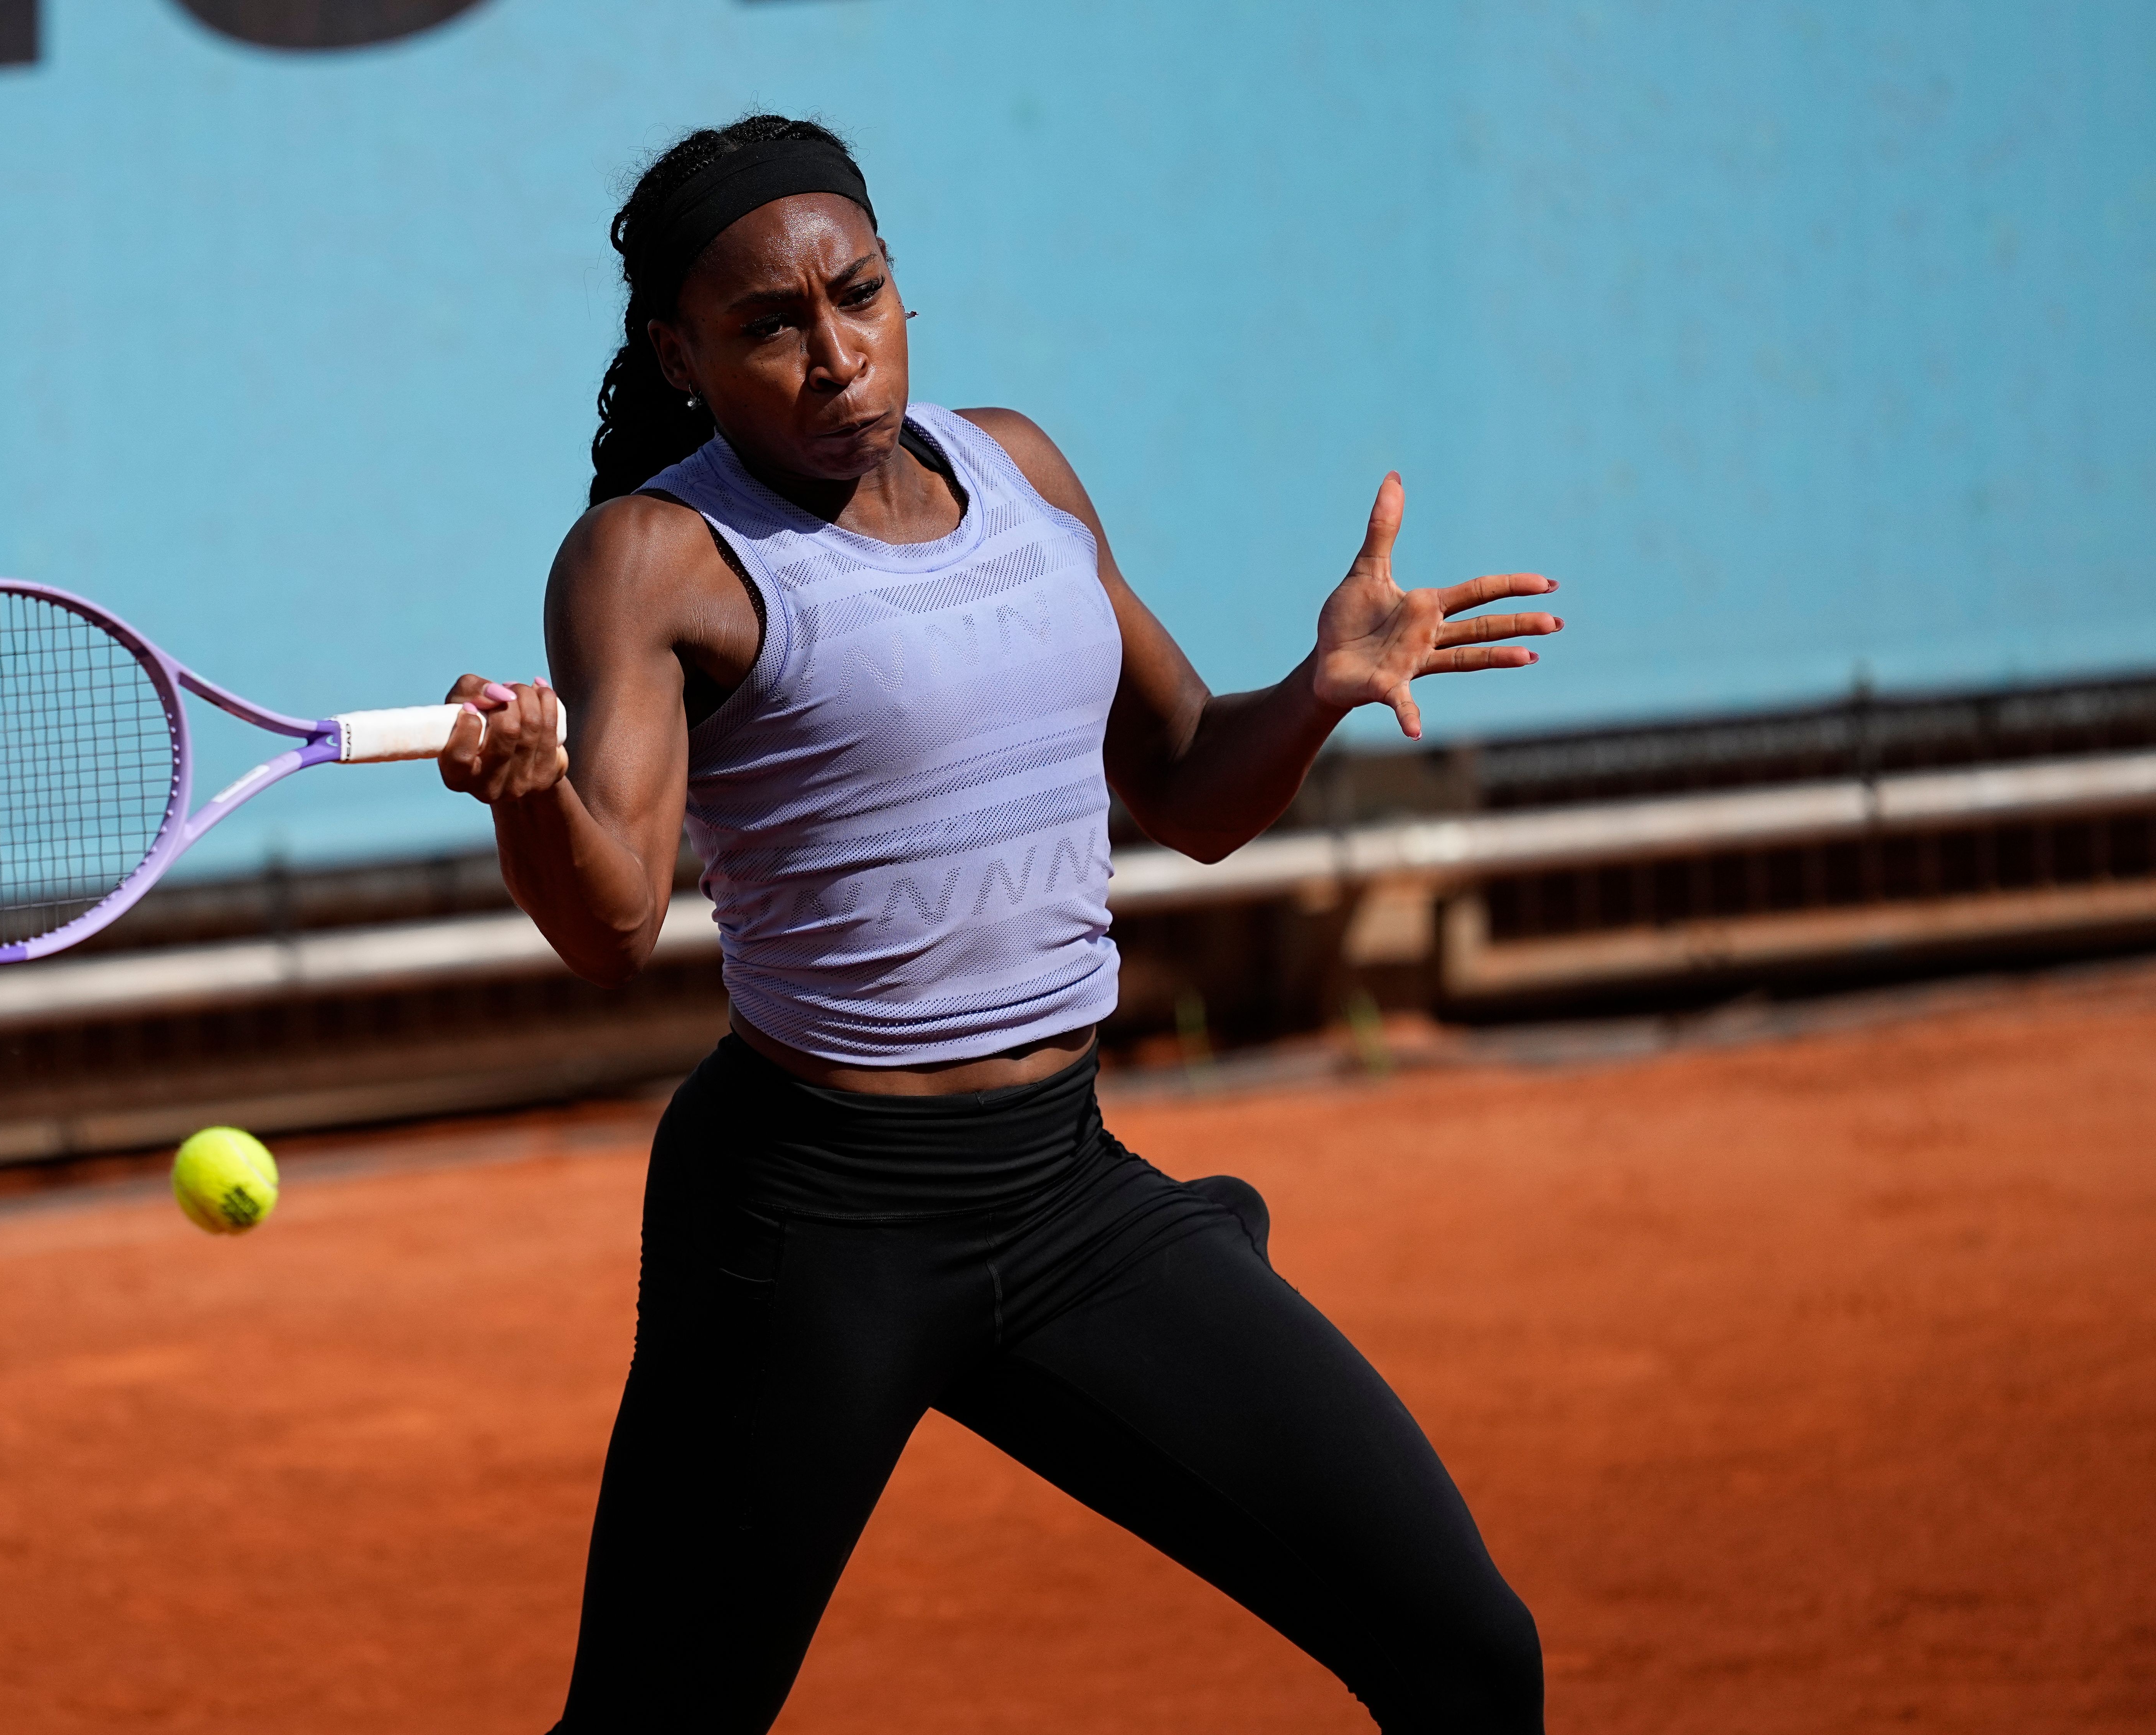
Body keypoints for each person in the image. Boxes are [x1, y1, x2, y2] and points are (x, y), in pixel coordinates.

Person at [440, 115, 1563, 1735]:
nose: (837, 357)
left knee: (1467, 1653)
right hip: (807, 1233)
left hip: (1064, 1198)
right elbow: (610, 924)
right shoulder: (652, 558)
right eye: (769, 326)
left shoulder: (1017, 468)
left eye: (859, 295)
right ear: (680, 356)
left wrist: (1317, 690)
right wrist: (536, 795)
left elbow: (1188, 785)